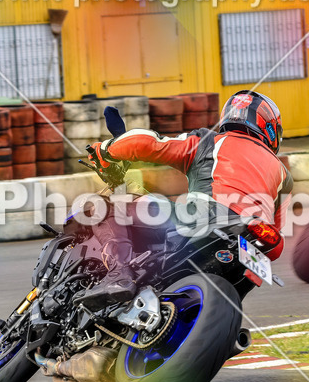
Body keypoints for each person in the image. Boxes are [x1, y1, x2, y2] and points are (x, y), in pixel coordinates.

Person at [77, 90, 293, 308]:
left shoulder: (210, 141)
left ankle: (119, 275)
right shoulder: (284, 175)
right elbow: (275, 247)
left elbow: (148, 144)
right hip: (252, 245)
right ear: (271, 129)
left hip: (204, 218)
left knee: (104, 208)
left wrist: (105, 150)